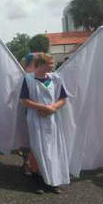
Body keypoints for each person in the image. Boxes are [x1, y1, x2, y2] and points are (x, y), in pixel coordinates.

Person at [20, 54, 68, 195]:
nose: (53, 65)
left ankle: (52, 180)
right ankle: (36, 178)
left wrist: (51, 108)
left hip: (52, 118)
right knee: (37, 149)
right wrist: (42, 108)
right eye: (50, 63)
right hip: (35, 118)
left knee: (52, 148)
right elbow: (24, 101)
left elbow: (63, 99)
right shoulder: (28, 79)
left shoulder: (55, 79)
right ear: (41, 65)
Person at [20, 53, 38, 175]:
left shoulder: (44, 75)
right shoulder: (24, 76)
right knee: (27, 139)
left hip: (42, 113)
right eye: (35, 63)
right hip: (27, 112)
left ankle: (38, 166)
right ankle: (26, 163)